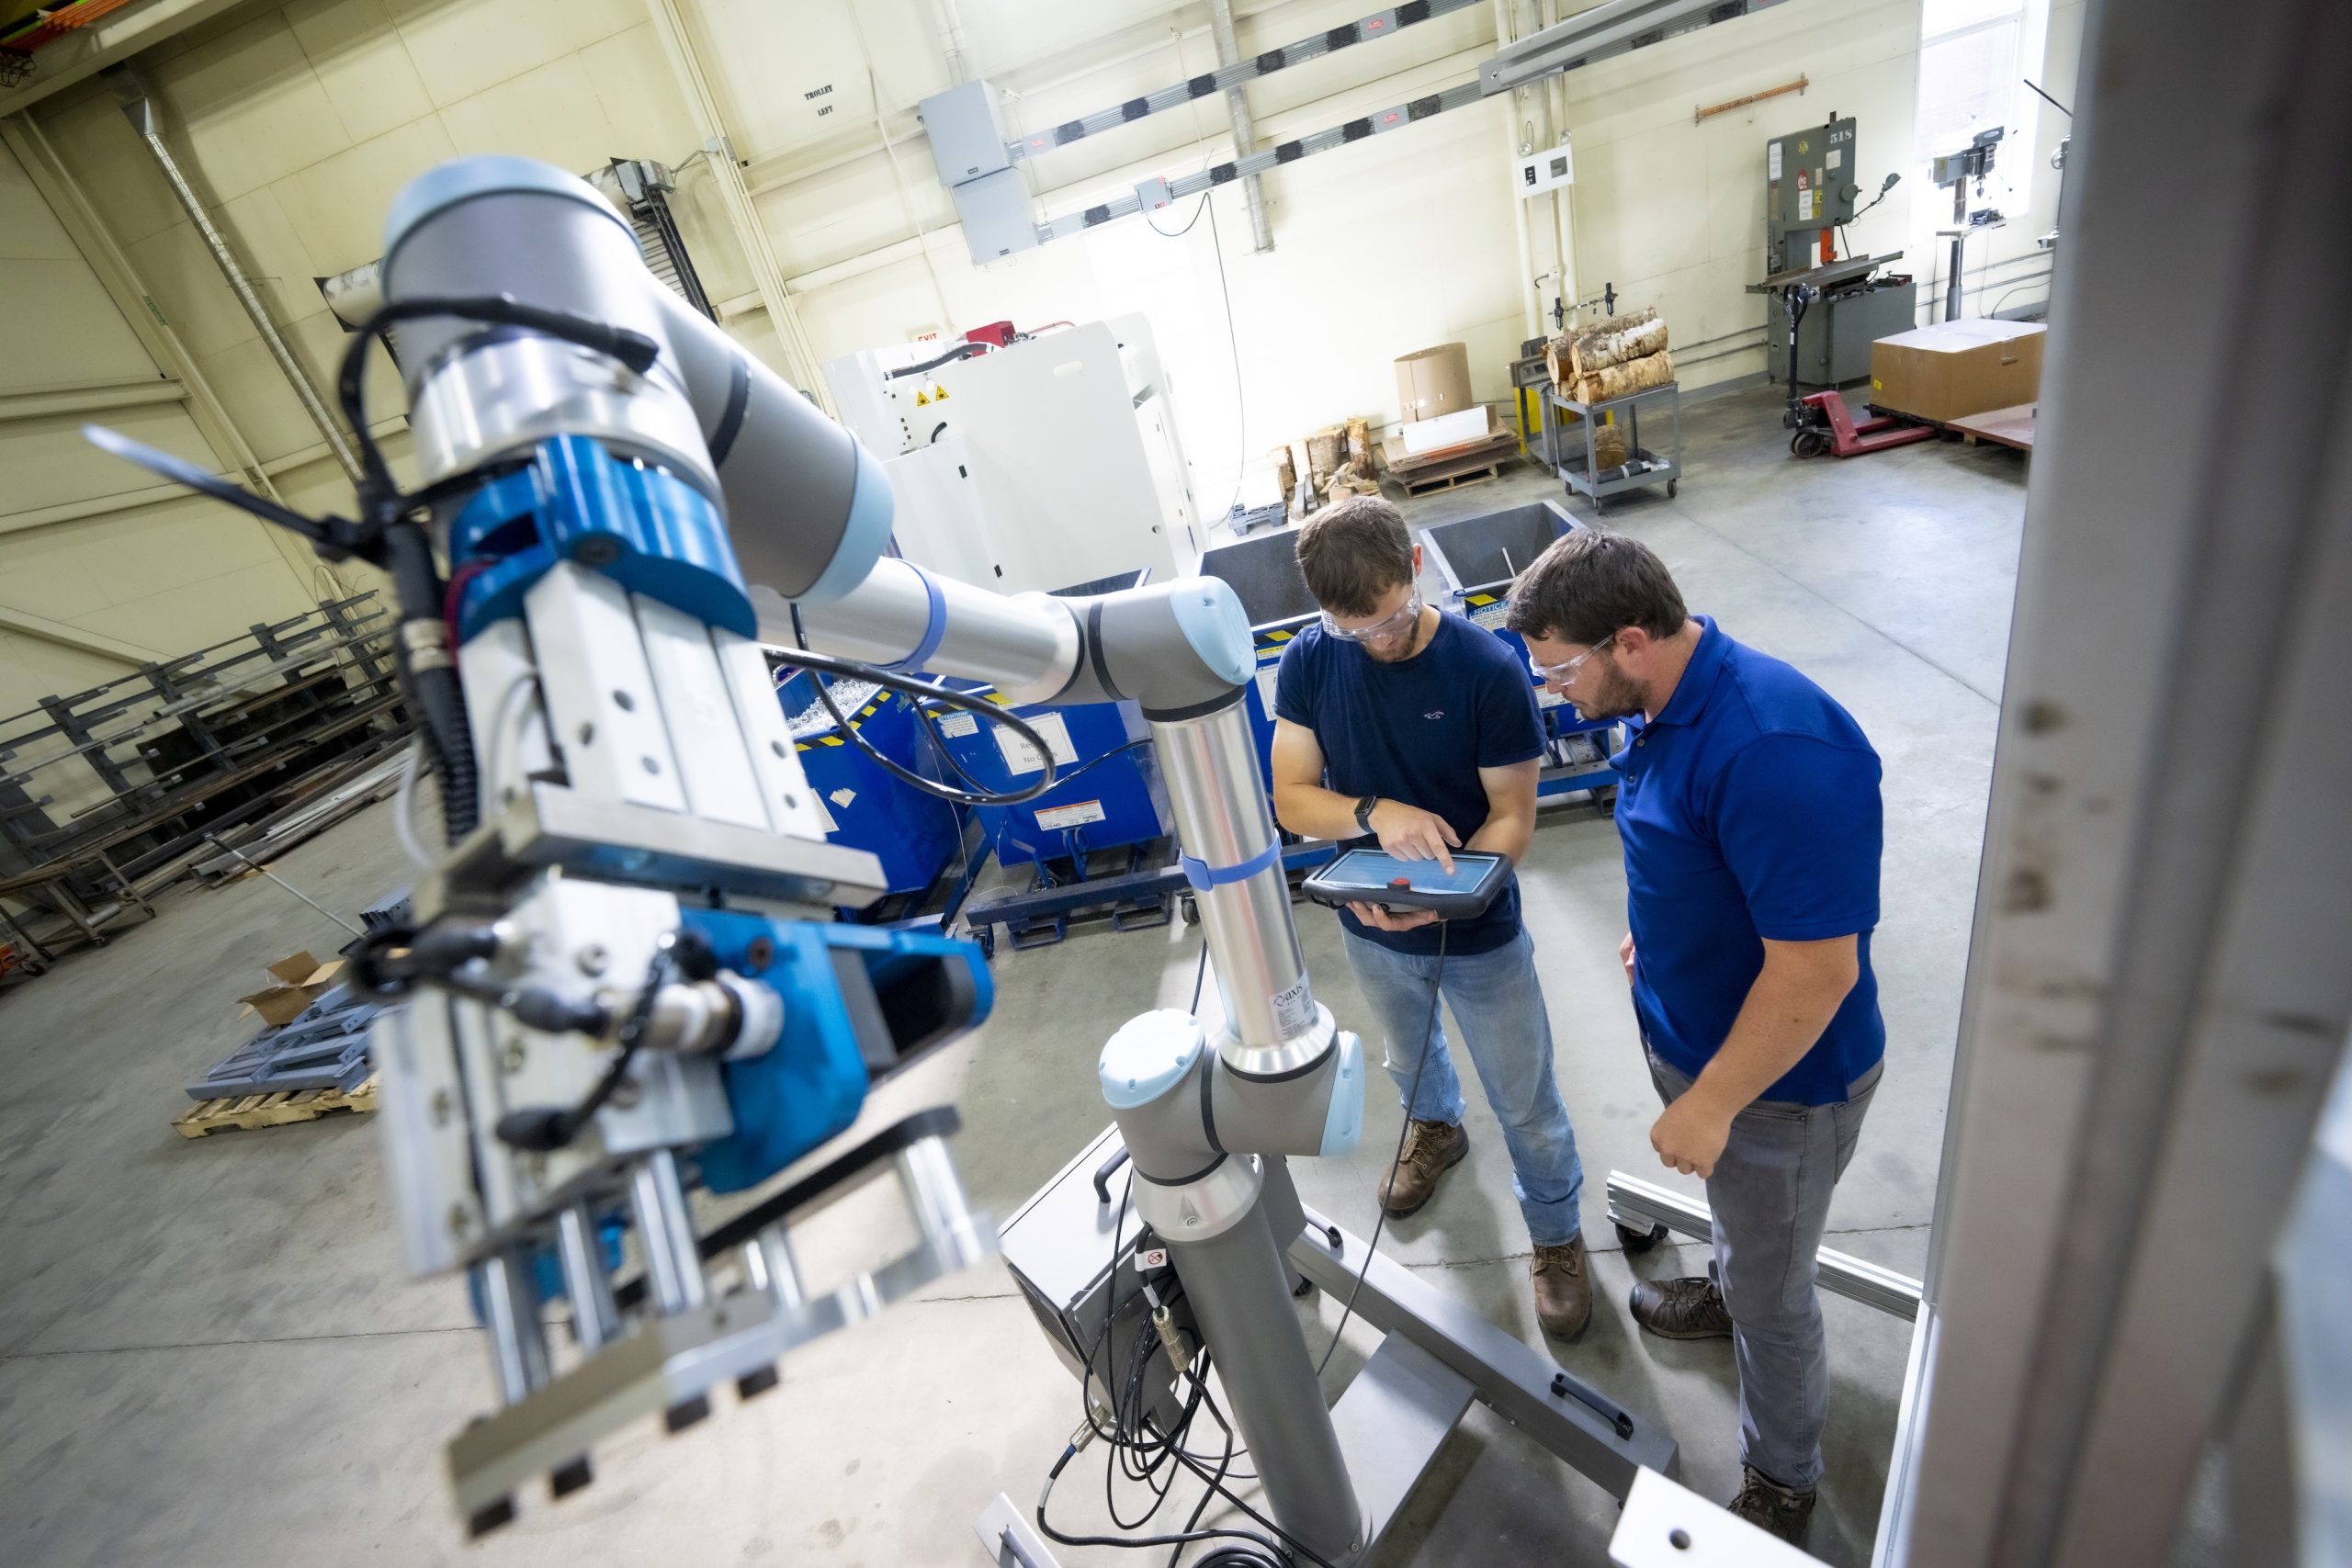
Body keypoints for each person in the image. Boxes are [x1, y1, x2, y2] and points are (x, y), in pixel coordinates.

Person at [1506, 527, 1883, 1545]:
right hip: (1704, 1037)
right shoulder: (1666, 697)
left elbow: (1817, 969)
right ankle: (1727, 1287)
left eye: (1559, 671)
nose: (1552, 694)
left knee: (1775, 1291)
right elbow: (1690, 845)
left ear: (1629, 640)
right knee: (1744, 1230)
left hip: (1778, 1087)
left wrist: (1712, 1102)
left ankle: (1783, 1476)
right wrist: (1655, 932)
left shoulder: (1773, 748)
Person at [1268, 495, 1591, 1338]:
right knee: (1407, 1059)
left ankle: (1557, 1235)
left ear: (1416, 567)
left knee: (1526, 1103)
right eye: (1353, 629)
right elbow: (1293, 795)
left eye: (1390, 618)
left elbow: (1513, 817)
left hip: (1478, 933)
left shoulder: (1485, 668)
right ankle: (1437, 1131)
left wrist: (1437, 902)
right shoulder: (1311, 658)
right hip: (1369, 924)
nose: (1376, 640)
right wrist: (1378, 812)